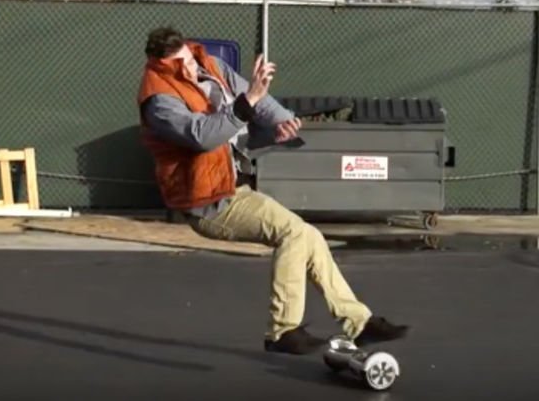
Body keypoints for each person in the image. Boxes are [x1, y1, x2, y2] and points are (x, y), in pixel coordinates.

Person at [136, 26, 409, 355]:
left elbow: (254, 103)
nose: (191, 70)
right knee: (292, 233)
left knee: (309, 236)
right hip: (206, 201)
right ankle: (282, 330)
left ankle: (358, 322)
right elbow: (203, 136)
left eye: (190, 62)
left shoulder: (209, 65)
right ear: (161, 65)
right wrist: (248, 100)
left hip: (233, 187)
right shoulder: (159, 100)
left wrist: (281, 123)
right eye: (181, 67)